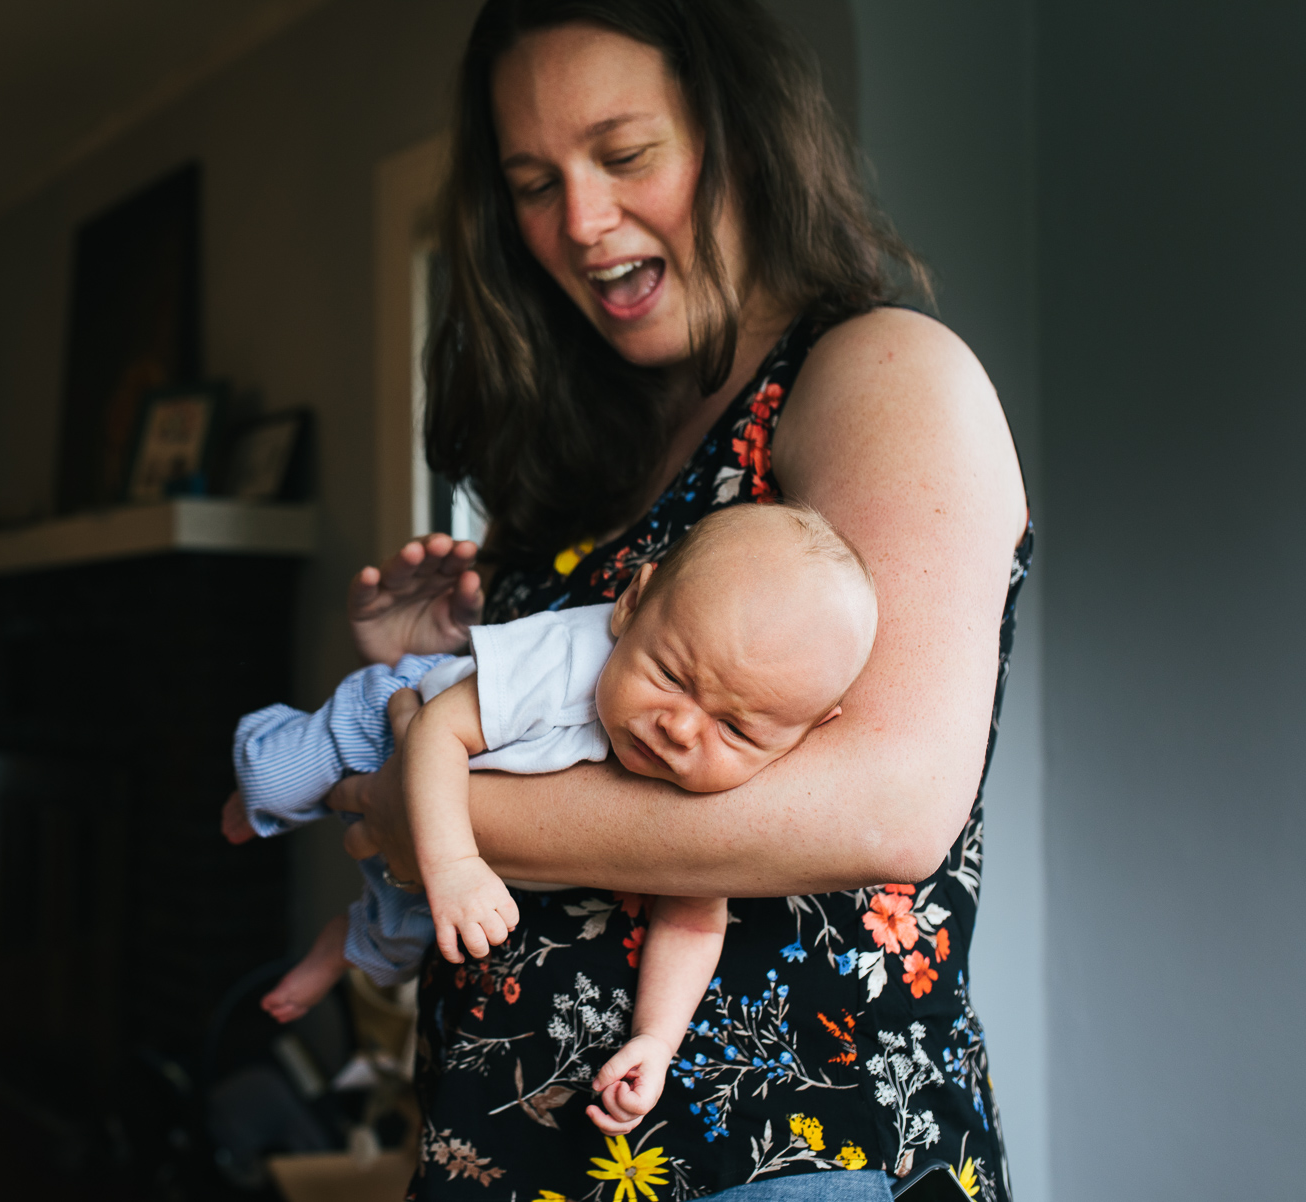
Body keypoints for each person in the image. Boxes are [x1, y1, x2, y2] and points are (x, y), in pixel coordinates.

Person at [329, 1, 1031, 1198]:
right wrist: (432, 671)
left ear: (739, 134)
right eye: (533, 181)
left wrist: (439, 815)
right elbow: (550, 735)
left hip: (775, 1154)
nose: (581, 222)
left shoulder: (875, 371)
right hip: (514, 1146)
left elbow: (890, 803)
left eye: (624, 153)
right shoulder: (585, 456)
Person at [228, 503, 877, 1136]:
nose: (679, 728)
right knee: (278, 780)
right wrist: (456, 866)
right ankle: (251, 787)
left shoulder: (715, 796)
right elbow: (436, 732)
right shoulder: (563, 658)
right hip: (396, 730)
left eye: (735, 727)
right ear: (632, 604)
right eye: (672, 676)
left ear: (803, 734)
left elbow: (691, 918)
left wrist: (655, 1039)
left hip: (453, 835)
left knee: (401, 938)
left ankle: (336, 948)